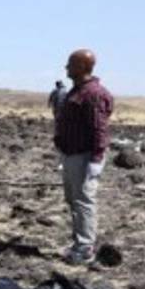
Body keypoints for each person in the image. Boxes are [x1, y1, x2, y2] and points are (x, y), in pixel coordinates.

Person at [53, 49, 114, 266]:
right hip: (71, 154)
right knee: (74, 200)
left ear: (81, 66)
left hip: (84, 156)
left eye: (70, 64)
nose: (66, 67)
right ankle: (79, 242)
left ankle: (86, 247)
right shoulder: (77, 91)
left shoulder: (93, 94)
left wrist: (96, 160)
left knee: (84, 201)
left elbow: (99, 129)